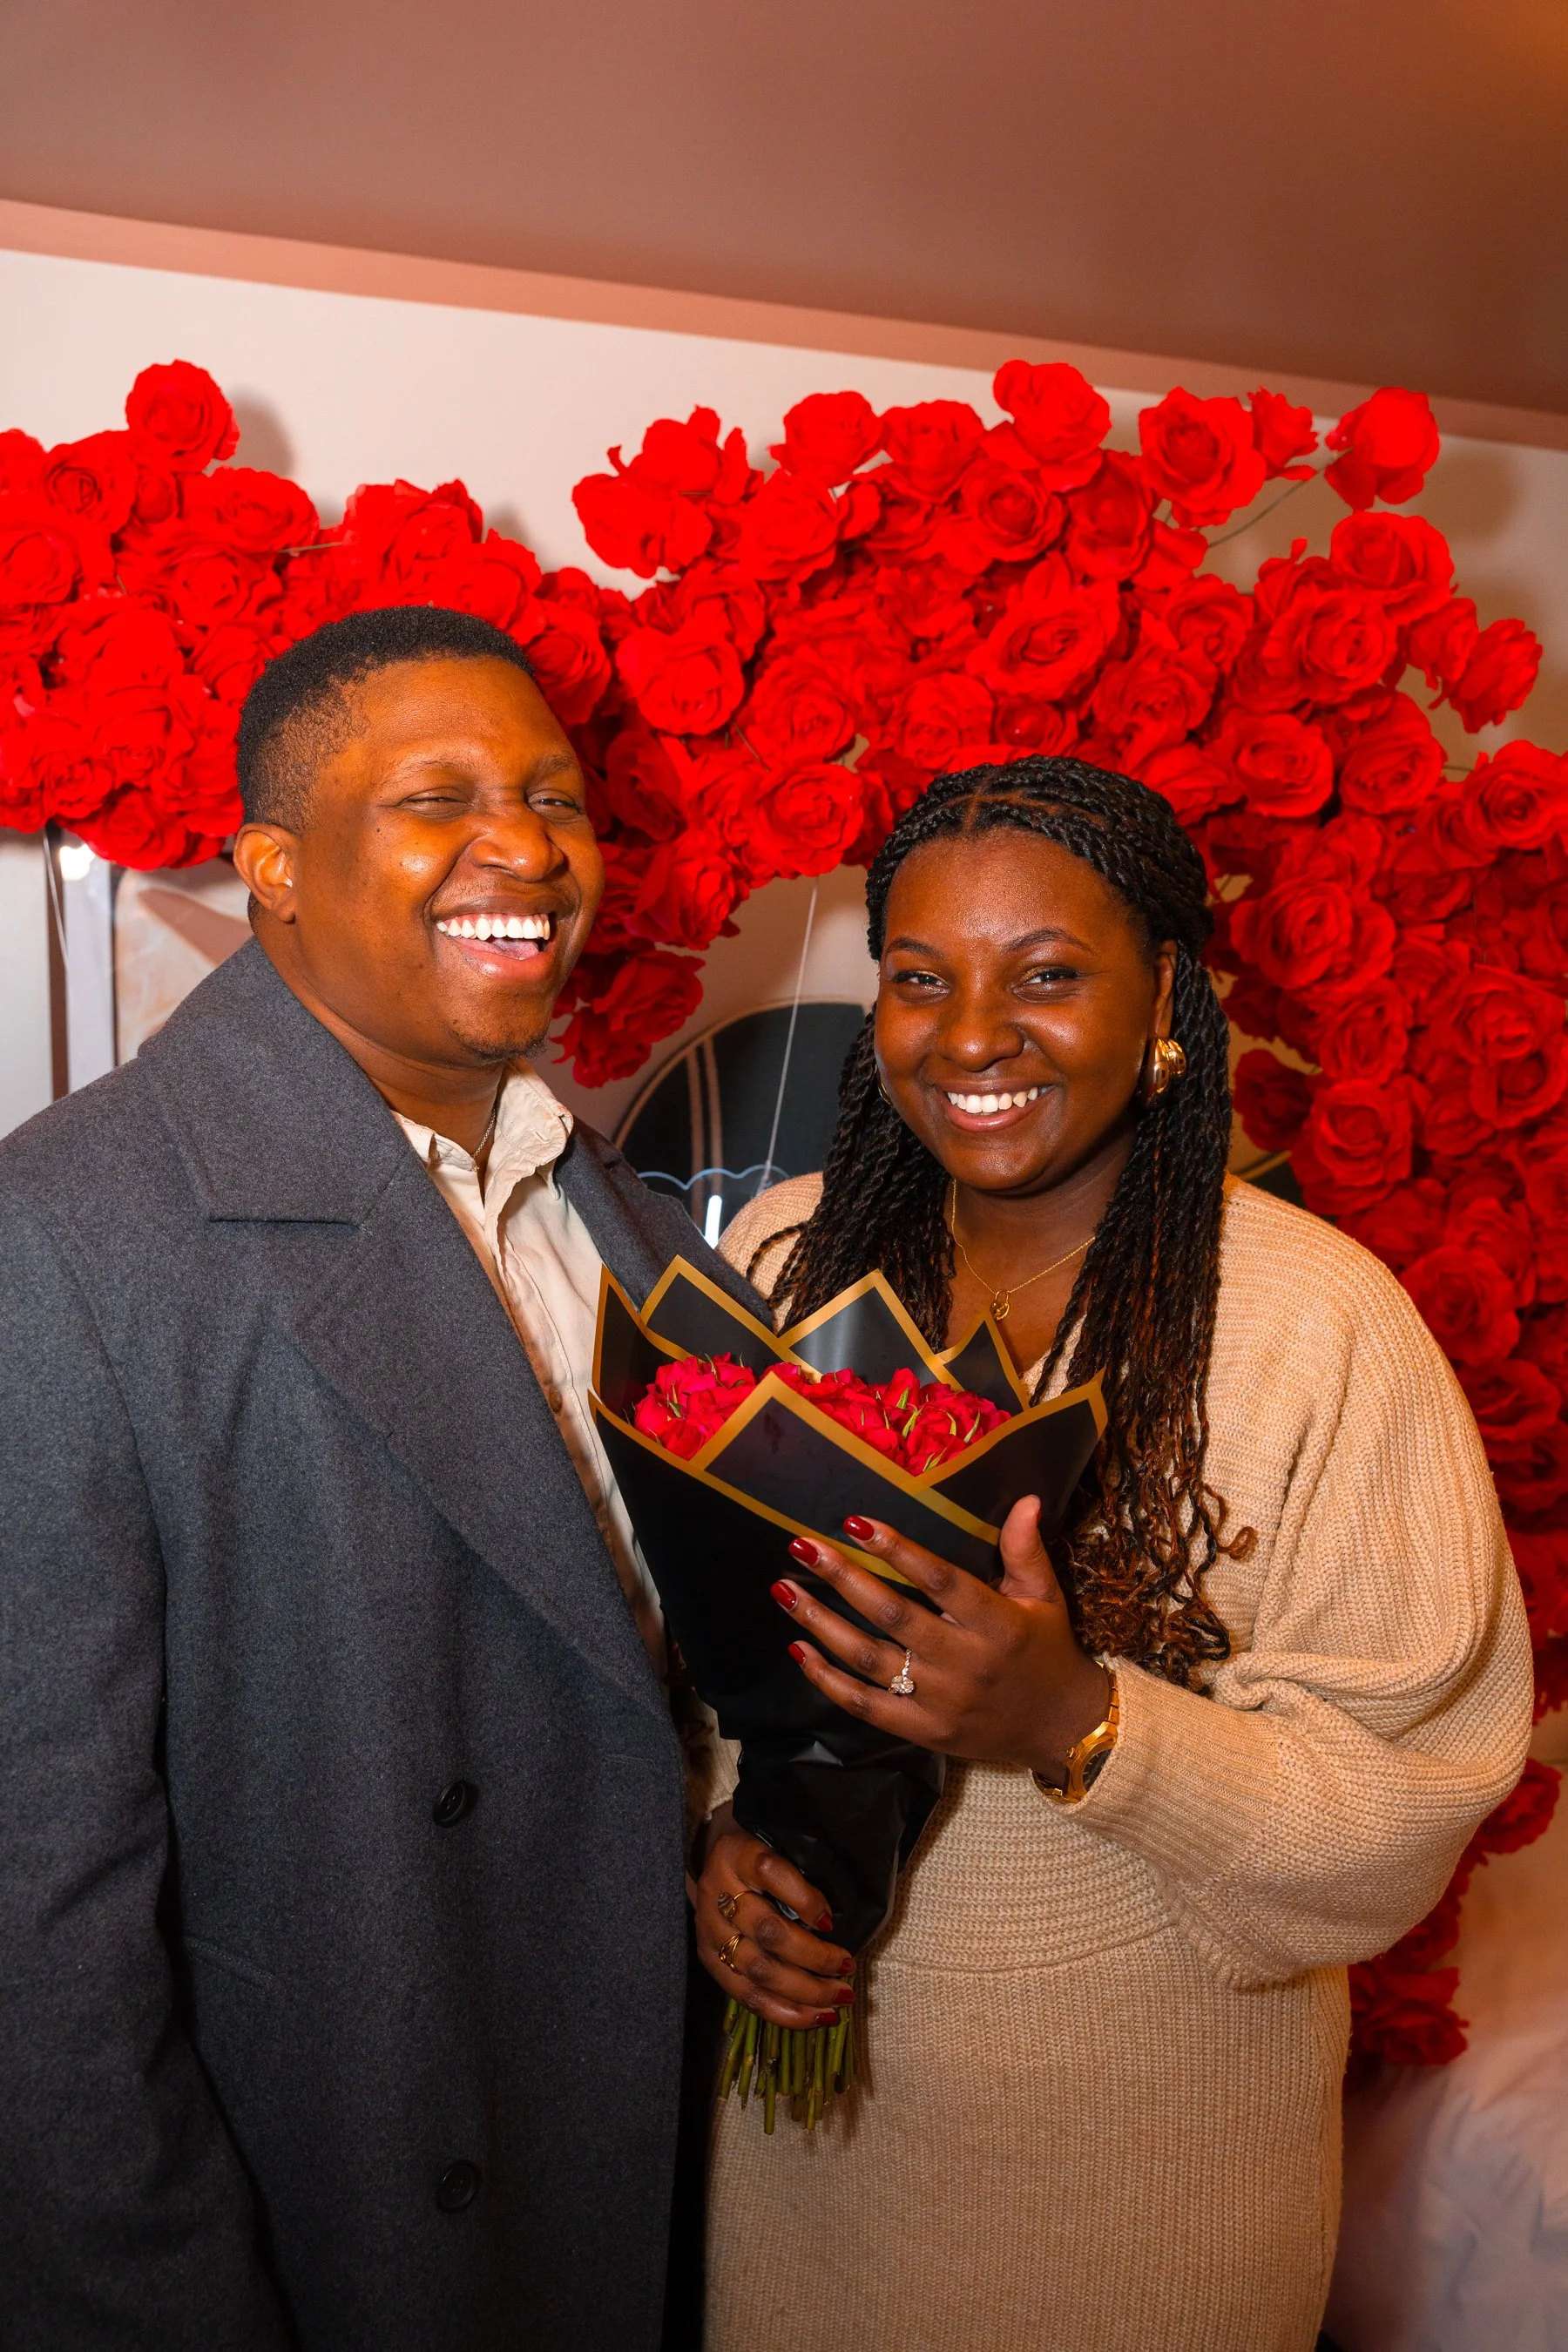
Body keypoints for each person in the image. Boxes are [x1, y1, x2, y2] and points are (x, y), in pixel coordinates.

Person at [695, 757, 1534, 2352]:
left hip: (1147, 2206)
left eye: (1049, 976)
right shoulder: (786, 1264)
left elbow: (1405, 1808)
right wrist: (720, 1850)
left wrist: (1081, 1725)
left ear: (1165, 996)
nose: (971, 1035)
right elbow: (692, 1653)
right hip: (805, 2177)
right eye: (921, 980)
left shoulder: (1314, 1323)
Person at [0, 606, 753, 2351]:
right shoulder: (69, 1237)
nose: (528, 846)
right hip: (336, 2215)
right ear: (270, 866)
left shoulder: (619, 1214)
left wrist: (734, 1832)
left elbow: (646, 1690)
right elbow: (39, 1942)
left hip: (635, 2167)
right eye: (440, 796)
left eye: (556, 796)